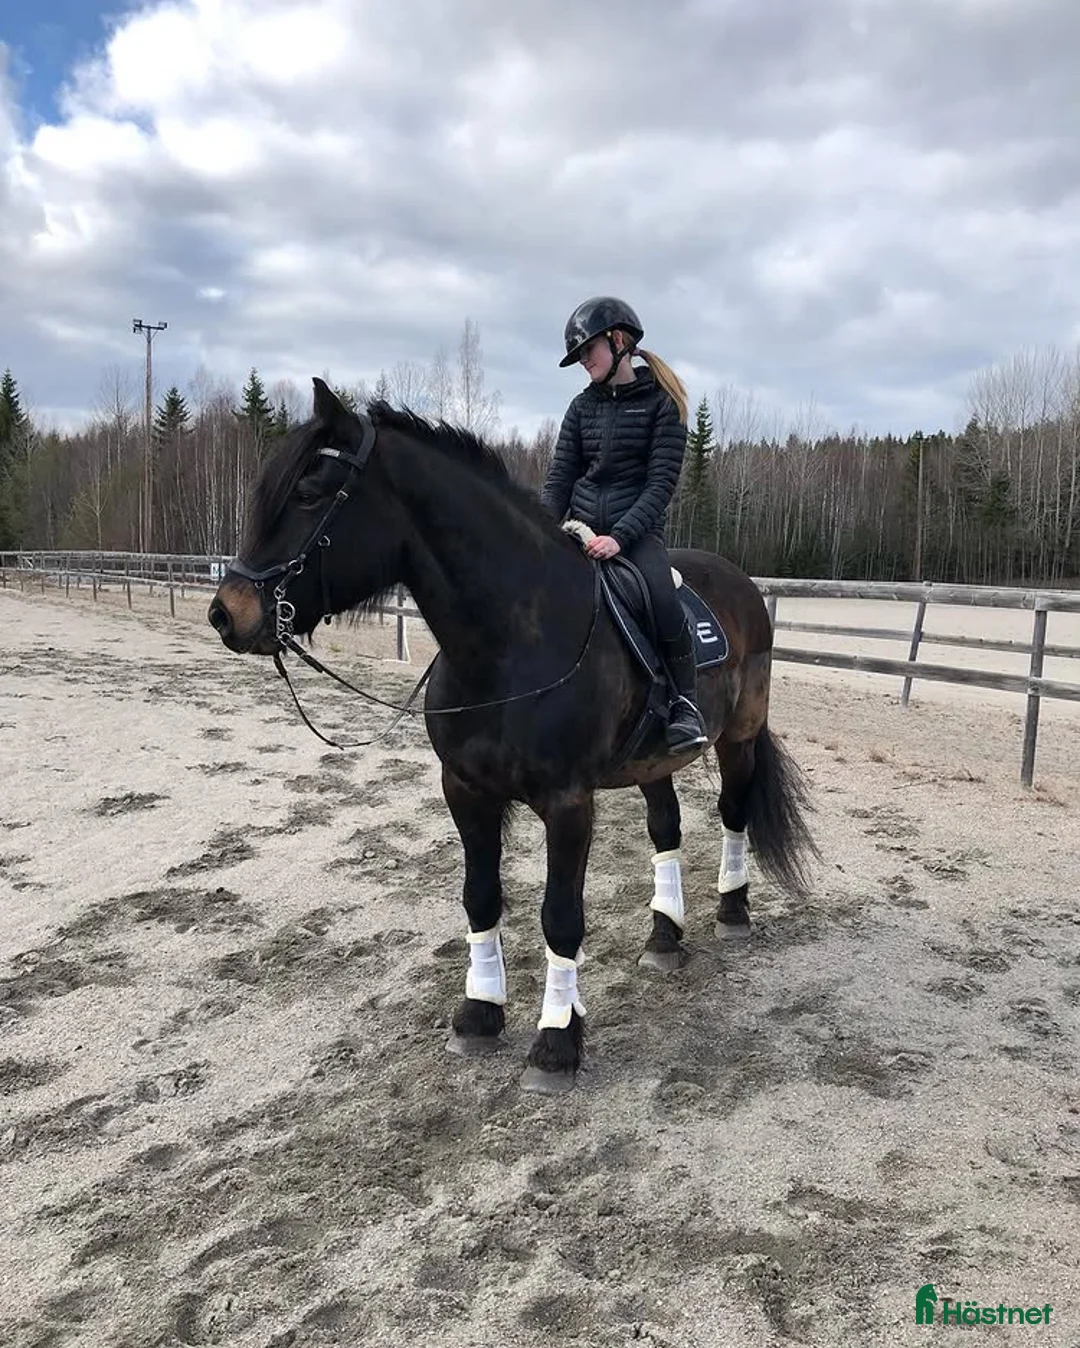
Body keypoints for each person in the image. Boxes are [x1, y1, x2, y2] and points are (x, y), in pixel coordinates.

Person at [541, 295, 708, 754]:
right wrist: (538, 528)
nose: (582, 362)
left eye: (587, 351)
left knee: (662, 598)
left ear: (618, 340)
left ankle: (684, 705)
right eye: (577, 356)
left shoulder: (664, 404)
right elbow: (559, 480)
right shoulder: (580, 408)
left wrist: (619, 537)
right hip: (578, 529)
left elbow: (660, 487)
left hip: (635, 535)